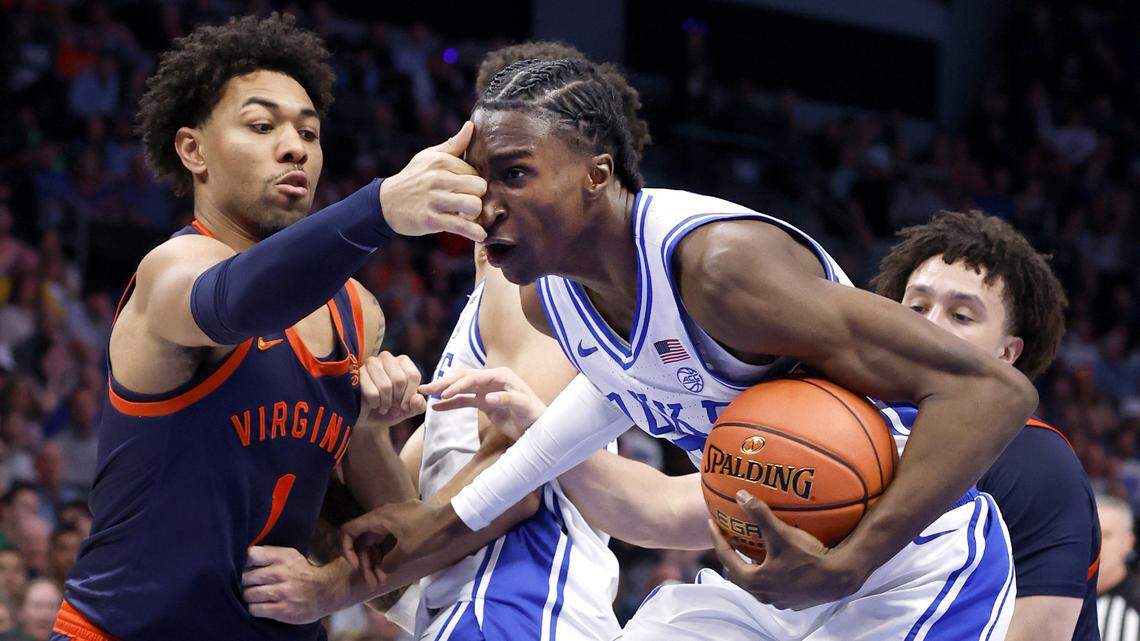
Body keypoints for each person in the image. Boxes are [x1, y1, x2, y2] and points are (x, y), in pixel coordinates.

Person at [343, 56, 1037, 640]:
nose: (485, 203)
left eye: (514, 174)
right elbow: (590, 426)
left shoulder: (720, 269)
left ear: (595, 174)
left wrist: (847, 565)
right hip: (773, 573)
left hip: (908, 566)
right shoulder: (552, 300)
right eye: (479, 179)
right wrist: (404, 540)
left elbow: (994, 392)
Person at [50, 13, 485, 641]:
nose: (294, 147)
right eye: (262, 126)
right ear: (193, 150)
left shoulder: (356, 312)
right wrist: (379, 208)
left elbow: (393, 547)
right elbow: (237, 303)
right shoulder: (171, 272)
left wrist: (368, 432)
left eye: (309, 132)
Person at [238, 42, 626, 641]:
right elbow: (400, 539)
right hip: (486, 610)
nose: (484, 190)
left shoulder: (535, 285)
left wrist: (329, 587)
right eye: (482, 165)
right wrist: (367, 429)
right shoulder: (494, 303)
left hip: (513, 606)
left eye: (513, 170)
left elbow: (514, 483)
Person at [870, 210, 1099, 641]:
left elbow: (1041, 634)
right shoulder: (846, 421)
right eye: (917, 306)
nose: (928, 325)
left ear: (1007, 353)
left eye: (961, 316)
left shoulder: (1037, 461)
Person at [1096, 494, 1139, 640]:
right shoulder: (1057, 602)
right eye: (1089, 534)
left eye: (1106, 535)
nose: (1096, 544)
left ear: (1128, 542)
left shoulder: (1135, 606)